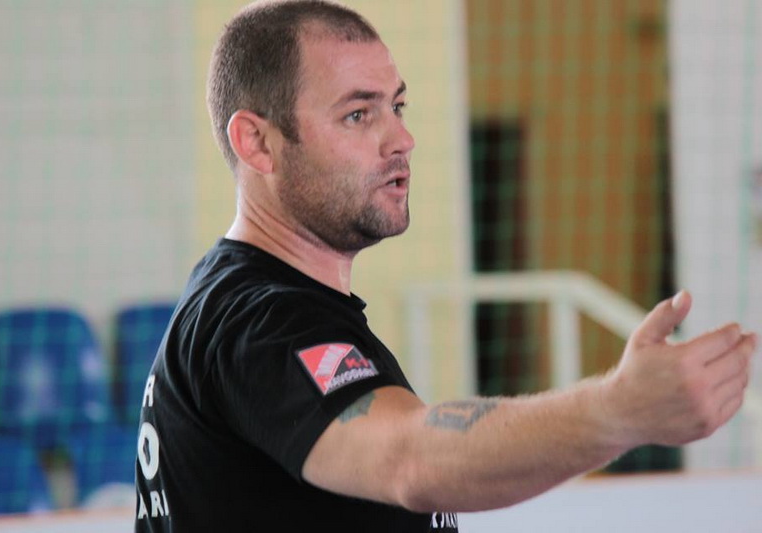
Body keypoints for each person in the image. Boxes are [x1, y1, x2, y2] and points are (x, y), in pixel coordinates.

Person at [134, 1, 758, 531]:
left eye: (397, 107)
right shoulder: (259, 321)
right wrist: (619, 410)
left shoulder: (255, 307)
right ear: (258, 143)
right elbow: (413, 459)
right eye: (358, 114)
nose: (401, 140)